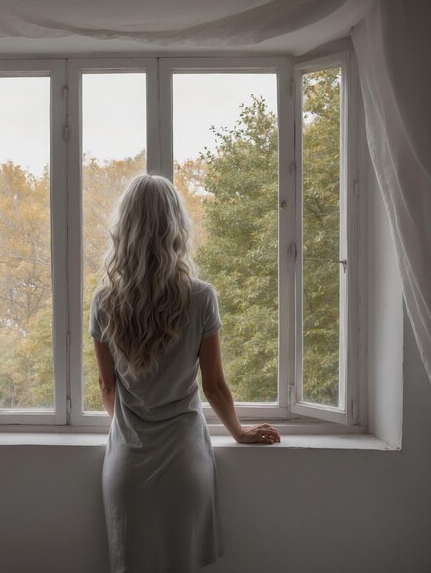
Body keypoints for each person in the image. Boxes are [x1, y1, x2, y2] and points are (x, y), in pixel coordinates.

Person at [90, 173, 281, 573]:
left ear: (123, 229)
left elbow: (108, 388)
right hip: (184, 467)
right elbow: (213, 386)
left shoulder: (104, 301)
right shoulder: (200, 296)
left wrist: (127, 428)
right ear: (175, 227)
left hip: (126, 468)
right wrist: (239, 431)